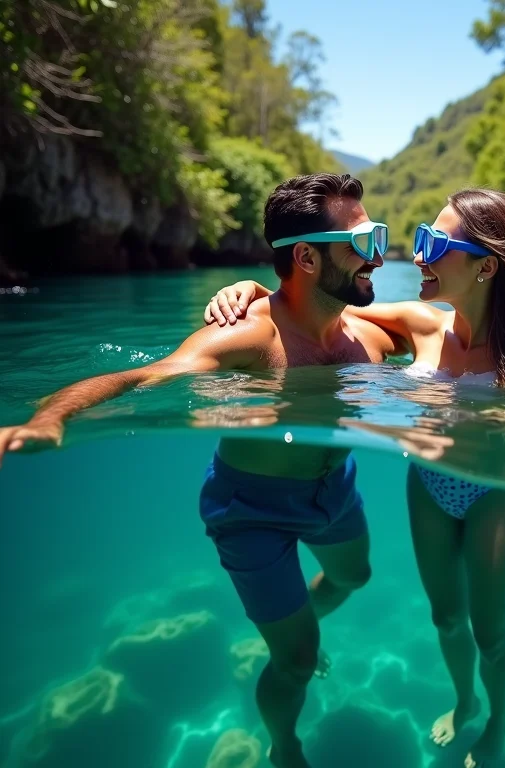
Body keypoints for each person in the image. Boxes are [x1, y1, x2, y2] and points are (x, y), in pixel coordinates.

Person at [204, 188, 505, 768]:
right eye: (421, 240)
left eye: (433, 243)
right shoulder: (418, 326)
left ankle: (498, 722)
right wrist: (251, 288)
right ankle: (463, 702)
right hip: (429, 484)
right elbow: (315, 303)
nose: (418, 255)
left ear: (485, 265)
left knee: (493, 638)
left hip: (500, 492)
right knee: (445, 618)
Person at [0, 173, 408, 768]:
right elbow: (137, 379)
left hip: (333, 489)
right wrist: (51, 419)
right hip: (251, 509)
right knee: (295, 661)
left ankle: (294, 618)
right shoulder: (250, 338)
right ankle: (283, 745)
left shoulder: (369, 336)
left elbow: (461, 334)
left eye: (378, 237)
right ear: (306, 257)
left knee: (355, 577)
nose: (378, 255)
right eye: (363, 241)